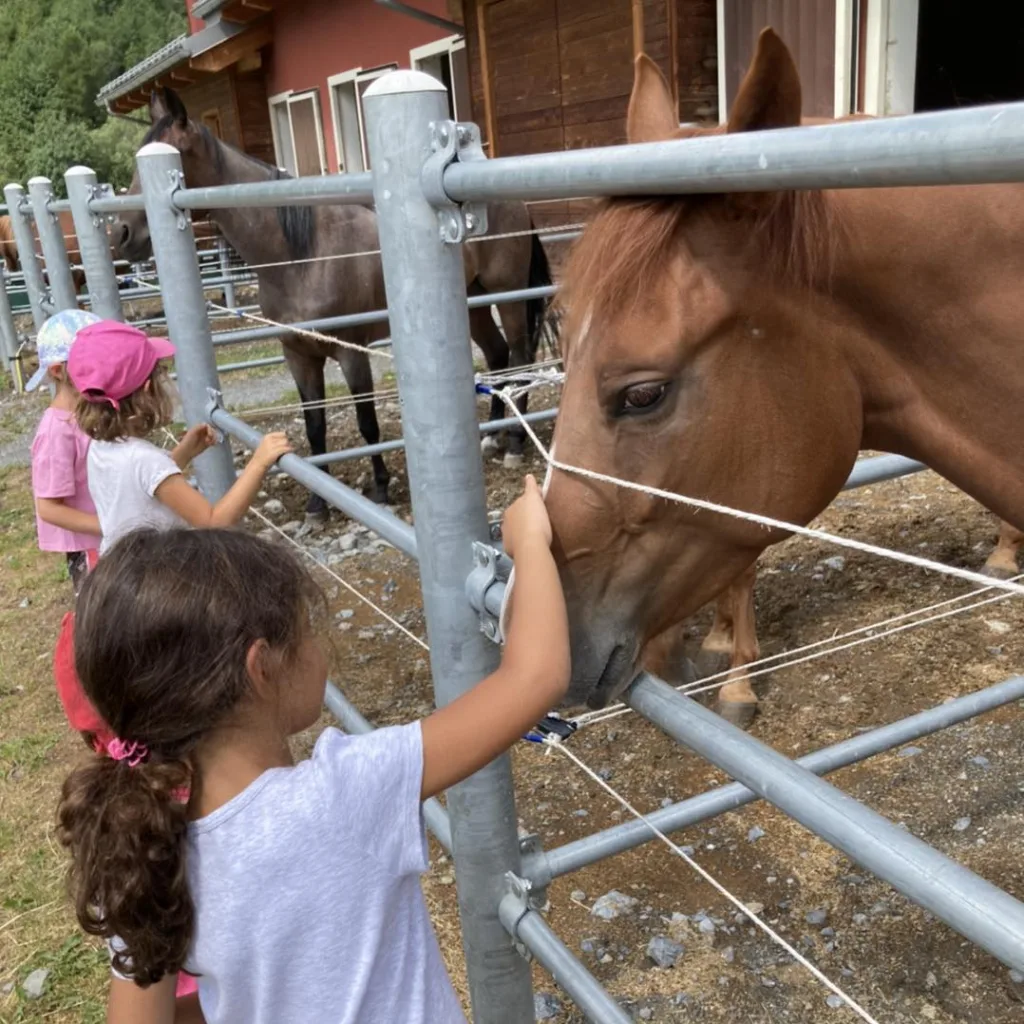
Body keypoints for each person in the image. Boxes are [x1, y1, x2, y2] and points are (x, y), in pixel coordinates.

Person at [57, 478, 568, 1024]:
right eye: (305, 633)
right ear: (262, 666)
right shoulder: (345, 791)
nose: (318, 647)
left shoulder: (143, 853)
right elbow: (536, 677)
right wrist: (530, 542)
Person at [67, 319, 292, 553]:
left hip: (120, 571)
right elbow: (214, 521)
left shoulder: (100, 447)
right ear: (147, 389)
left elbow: (137, 485)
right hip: (157, 578)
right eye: (161, 373)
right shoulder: (144, 459)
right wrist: (259, 462)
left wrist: (184, 453)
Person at [28, 308, 103, 596]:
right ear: (58, 370)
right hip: (91, 548)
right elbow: (48, 506)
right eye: (89, 360)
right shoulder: (56, 430)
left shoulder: (92, 413)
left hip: (110, 539)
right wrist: (105, 524)